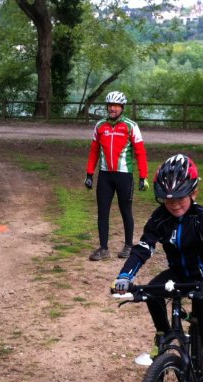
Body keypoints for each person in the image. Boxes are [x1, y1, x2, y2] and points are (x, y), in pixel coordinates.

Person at [112, 154, 203, 382]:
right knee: (151, 292)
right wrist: (125, 276)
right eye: (167, 199)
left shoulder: (202, 217)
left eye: (180, 197)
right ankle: (163, 333)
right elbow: (143, 248)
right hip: (178, 274)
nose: (174, 204)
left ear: (194, 193)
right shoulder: (159, 219)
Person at [85, 91, 149, 261]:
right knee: (102, 211)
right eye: (110, 105)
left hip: (124, 176)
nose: (112, 108)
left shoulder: (131, 126)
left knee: (125, 210)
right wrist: (89, 173)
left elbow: (140, 152)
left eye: (116, 106)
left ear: (122, 107)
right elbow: (94, 151)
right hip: (105, 176)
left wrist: (143, 176)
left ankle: (128, 245)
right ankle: (103, 248)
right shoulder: (100, 126)